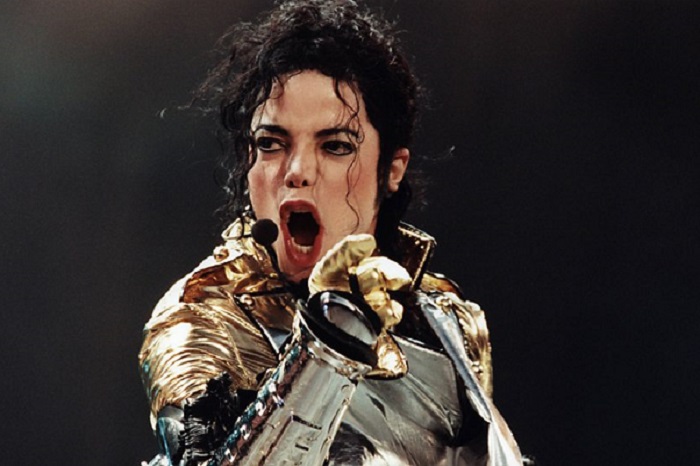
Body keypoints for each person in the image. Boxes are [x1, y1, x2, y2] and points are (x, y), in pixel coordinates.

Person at [139, 1, 525, 464]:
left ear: (392, 169)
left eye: (336, 146)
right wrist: (332, 339)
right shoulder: (200, 317)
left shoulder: (446, 322)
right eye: (270, 144)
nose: (298, 171)